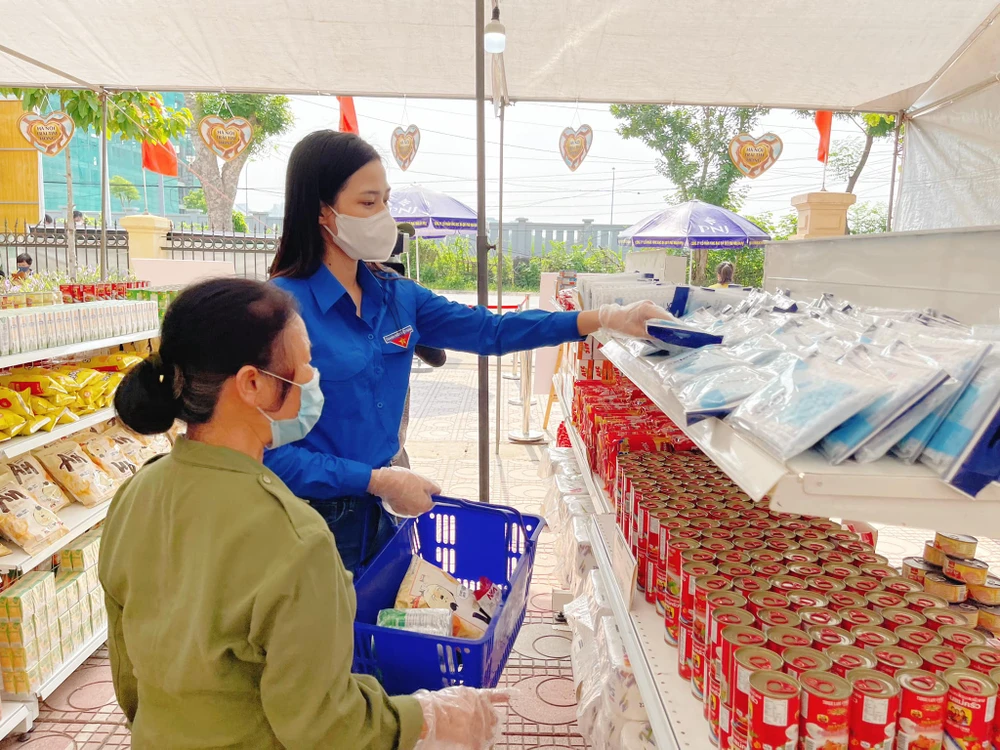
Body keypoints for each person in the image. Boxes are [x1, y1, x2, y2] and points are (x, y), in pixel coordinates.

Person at [101, 277, 503, 749]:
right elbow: (327, 727)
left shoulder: (135, 494)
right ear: (252, 384)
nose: (313, 379)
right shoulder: (296, 540)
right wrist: (427, 717)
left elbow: (127, 673)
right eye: (305, 364)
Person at [265, 130, 670, 572]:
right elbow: (267, 455)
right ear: (322, 211)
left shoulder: (396, 295)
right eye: (368, 202)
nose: (384, 216)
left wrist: (604, 317)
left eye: (386, 201)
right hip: (313, 519)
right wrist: (374, 480)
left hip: (386, 509)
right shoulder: (279, 311)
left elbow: (491, 331)